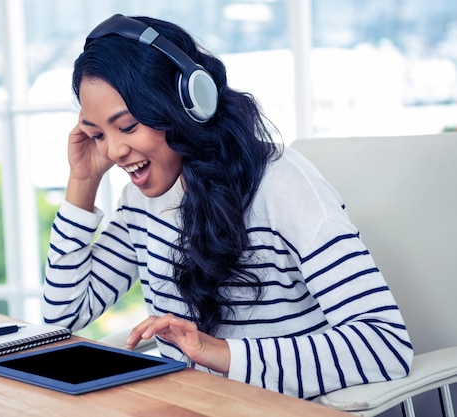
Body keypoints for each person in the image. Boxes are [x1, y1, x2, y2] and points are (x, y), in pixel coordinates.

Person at [41, 14, 413, 399]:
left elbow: (384, 345)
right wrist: (83, 182)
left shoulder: (281, 185)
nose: (114, 151)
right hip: (192, 406)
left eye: (129, 126)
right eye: (98, 134)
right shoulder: (141, 200)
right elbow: (63, 317)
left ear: (186, 105)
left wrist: (217, 353)